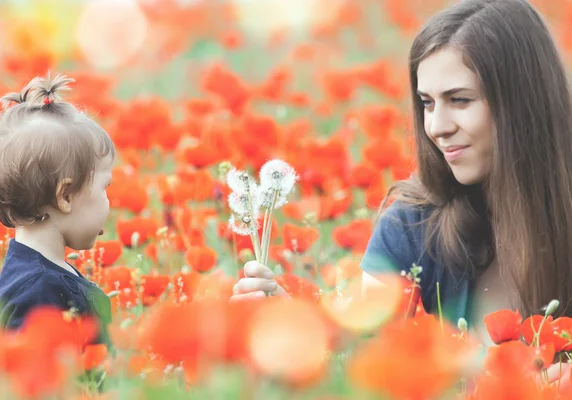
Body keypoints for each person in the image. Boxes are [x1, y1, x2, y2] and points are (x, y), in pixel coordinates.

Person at [230, 0, 572, 348]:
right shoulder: (413, 226)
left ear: (521, 103)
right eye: (427, 103)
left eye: (460, 100)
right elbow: (363, 351)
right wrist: (292, 329)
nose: (436, 127)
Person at [0, 72, 115, 347]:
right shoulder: (38, 292)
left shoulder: (41, 274)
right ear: (64, 195)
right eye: (104, 187)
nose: (108, 201)